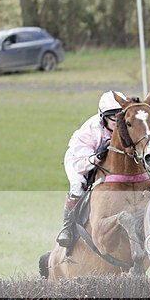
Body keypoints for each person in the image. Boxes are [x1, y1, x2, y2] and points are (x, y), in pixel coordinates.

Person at [56, 90, 124, 247]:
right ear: (103, 116)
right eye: (113, 117)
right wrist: (97, 157)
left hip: (105, 162)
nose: (117, 121)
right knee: (78, 185)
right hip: (79, 159)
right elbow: (81, 162)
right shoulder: (92, 128)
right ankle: (67, 228)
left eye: (120, 116)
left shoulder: (125, 125)